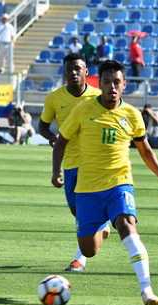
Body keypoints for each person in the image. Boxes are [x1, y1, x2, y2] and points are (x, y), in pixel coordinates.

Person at [51, 59, 158, 305]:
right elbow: (62, 140)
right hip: (87, 189)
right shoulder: (84, 109)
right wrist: (56, 171)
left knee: (128, 226)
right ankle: (103, 223)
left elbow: (144, 149)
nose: (111, 87)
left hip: (119, 183)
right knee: (88, 250)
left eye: (116, 82)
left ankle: (146, 290)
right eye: (106, 82)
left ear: (124, 84)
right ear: (101, 83)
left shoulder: (131, 114)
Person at [39, 53, 103, 272]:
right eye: (69, 69)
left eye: (78, 68)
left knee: (84, 215)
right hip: (70, 162)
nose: (73, 72)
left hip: (95, 162)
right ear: (64, 73)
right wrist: (52, 139)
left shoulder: (98, 96)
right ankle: (102, 223)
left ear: (86, 71)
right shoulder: (54, 99)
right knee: (77, 211)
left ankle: (79, 259)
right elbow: (43, 126)